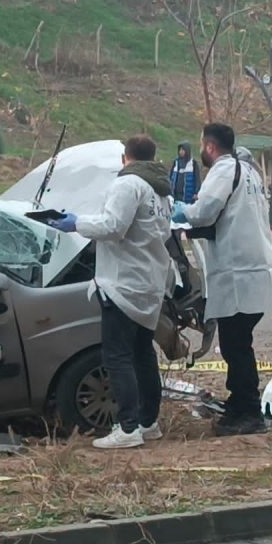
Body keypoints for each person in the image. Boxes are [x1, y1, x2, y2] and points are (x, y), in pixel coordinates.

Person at [48, 136, 172, 449]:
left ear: (124, 158)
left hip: (123, 283)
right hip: (149, 283)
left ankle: (128, 427)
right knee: (143, 355)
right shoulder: (160, 191)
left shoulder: (128, 184)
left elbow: (113, 227)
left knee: (117, 357)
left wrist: (76, 223)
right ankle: (148, 421)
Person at [172, 123, 272, 436]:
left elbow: (204, 212)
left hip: (239, 272)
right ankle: (241, 402)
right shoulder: (248, 172)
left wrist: (180, 212)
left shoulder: (223, 170)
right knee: (237, 342)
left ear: (209, 146)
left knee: (236, 345)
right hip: (253, 269)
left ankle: (248, 411)